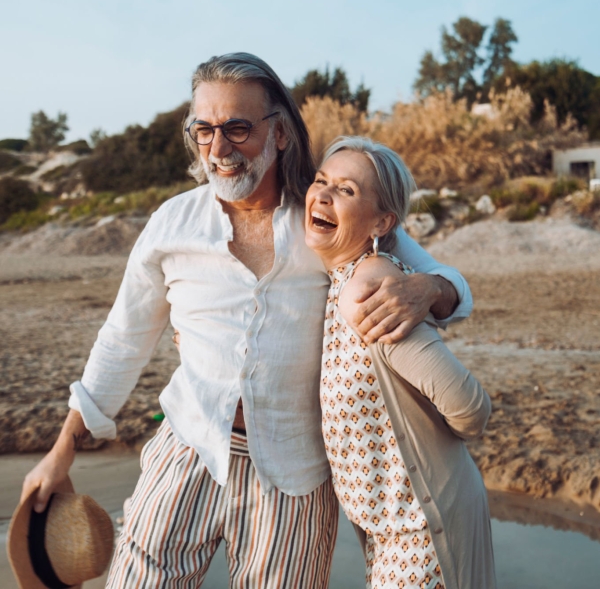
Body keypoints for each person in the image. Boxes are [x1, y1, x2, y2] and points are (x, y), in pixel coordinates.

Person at [21, 54, 473, 588]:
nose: (219, 149)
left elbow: (453, 287)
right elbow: (122, 339)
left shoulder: (326, 220)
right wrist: (61, 450)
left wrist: (428, 288)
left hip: (295, 476)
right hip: (186, 449)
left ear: (279, 133)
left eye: (237, 128)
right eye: (204, 130)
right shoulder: (173, 222)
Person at [304, 136, 495, 589]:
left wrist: (436, 448)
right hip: (389, 530)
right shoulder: (340, 280)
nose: (324, 195)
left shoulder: (370, 287)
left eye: (347, 190)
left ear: (382, 221)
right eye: (320, 181)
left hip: (424, 527)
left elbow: (472, 407)